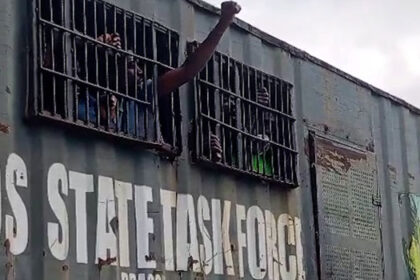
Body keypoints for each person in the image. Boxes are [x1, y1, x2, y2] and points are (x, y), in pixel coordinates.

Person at [80, 1, 242, 142]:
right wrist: (93, 45)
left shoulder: (141, 97)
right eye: (131, 65)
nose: (140, 72)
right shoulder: (81, 105)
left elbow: (188, 70)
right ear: (110, 70)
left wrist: (223, 23)